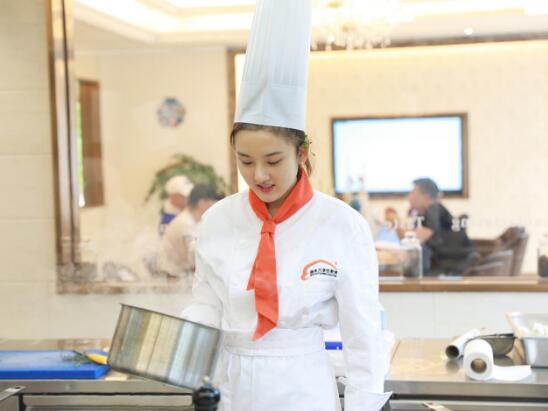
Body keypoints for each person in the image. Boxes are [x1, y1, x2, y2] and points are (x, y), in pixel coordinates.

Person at [181, 1, 390, 410]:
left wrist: (362, 406)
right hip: (232, 387)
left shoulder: (341, 224)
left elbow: (363, 333)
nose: (259, 174)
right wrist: (181, 337)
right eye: (245, 161)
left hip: (304, 387)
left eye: (273, 160)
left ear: (301, 153)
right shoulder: (218, 219)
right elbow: (207, 302)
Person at [407, 178, 475, 275]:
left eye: (412, 193)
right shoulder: (427, 212)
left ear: (425, 197)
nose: (409, 197)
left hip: (451, 269)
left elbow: (418, 238)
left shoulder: (433, 209)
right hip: (448, 265)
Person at [157, 184, 223, 279]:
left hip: (182, 277)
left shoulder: (195, 221)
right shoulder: (185, 223)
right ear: (201, 203)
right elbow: (195, 259)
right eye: (213, 203)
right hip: (172, 279)